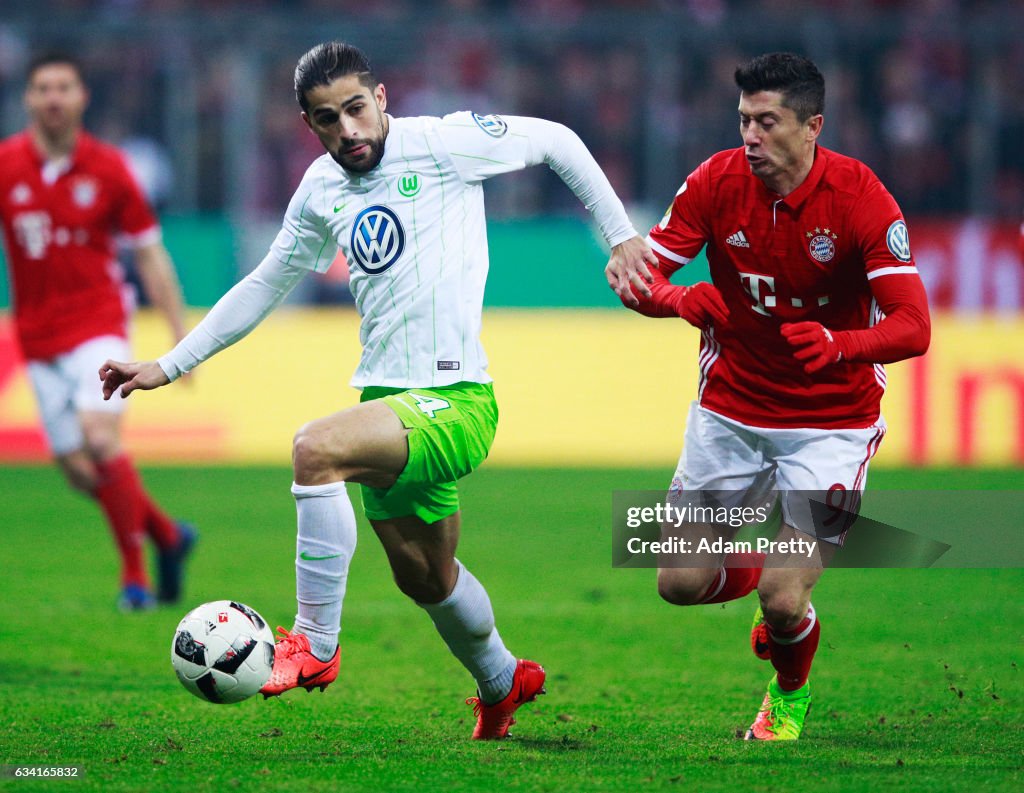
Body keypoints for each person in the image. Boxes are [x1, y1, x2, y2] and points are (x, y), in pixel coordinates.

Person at [100, 41, 655, 739]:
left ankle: (315, 643)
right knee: (426, 576)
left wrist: (620, 237)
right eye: (328, 119)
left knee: (314, 449)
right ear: (310, 123)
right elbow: (266, 282)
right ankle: (503, 679)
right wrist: (171, 362)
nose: (348, 131)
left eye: (357, 109)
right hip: (387, 402)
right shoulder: (321, 188)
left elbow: (558, 141)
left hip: (457, 401)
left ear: (382, 98)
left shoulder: (444, 143)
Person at [616, 53, 930, 741]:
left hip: (831, 423)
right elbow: (637, 279)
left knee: (784, 597)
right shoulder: (714, 181)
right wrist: (676, 298)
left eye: (767, 122)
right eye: (743, 121)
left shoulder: (861, 198)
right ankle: (769, 576)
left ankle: (786, 695)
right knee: (678, 582)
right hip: (730, 410)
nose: (750, 137)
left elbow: (915, 325)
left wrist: (843, 345)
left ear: (812, 125)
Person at [0, 52, 195, 612]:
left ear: (82, 96)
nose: (54, 98)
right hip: (37, 336)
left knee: (101, 438)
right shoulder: (7, 165)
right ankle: (168, 536)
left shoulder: (109, 168)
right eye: (43, 88)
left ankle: (134, 577)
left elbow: (151, 255)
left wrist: (181, 336)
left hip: (99, 322)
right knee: (82, 472)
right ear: (28, 99)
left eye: (64, 87)